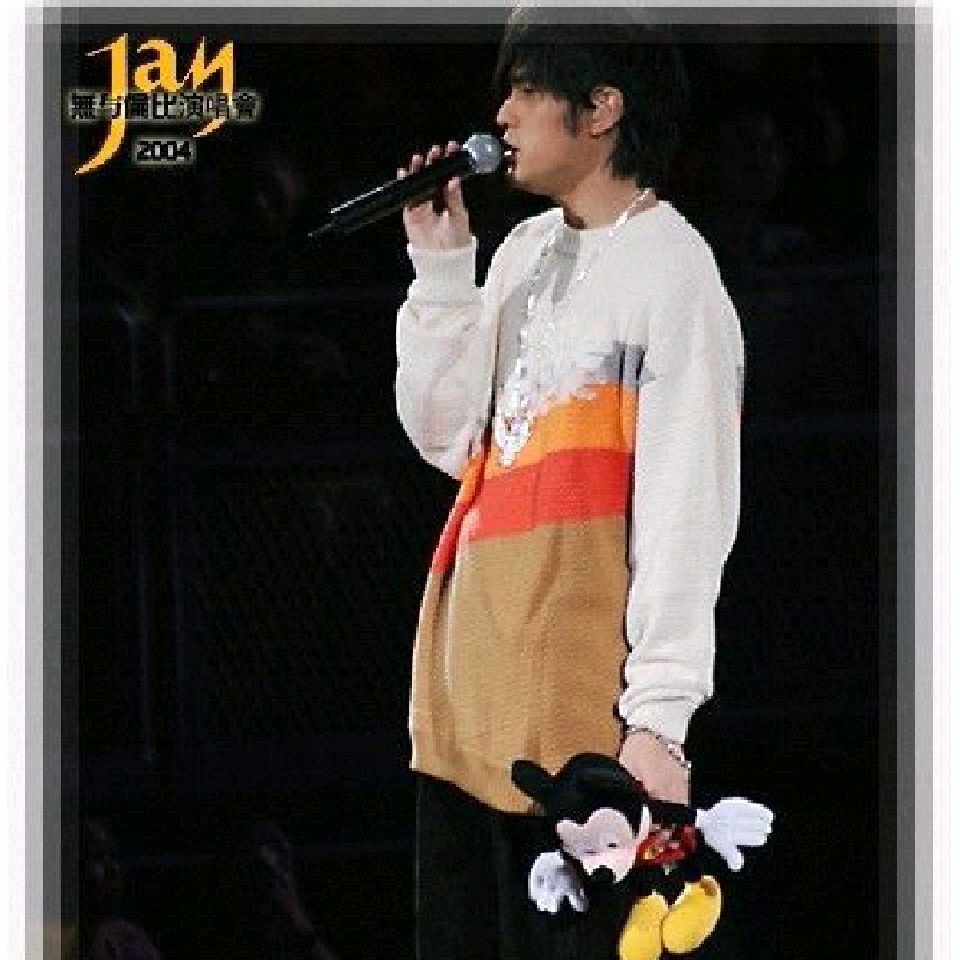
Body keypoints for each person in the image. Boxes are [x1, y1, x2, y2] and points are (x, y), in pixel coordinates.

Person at [393, 8, 744, 959]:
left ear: (601, 108)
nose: (502, 114)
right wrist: (441, 266)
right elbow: (448, 437)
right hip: (468, 707)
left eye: (525, 89)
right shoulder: (523, 254)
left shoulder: (674, 274)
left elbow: (688, 510)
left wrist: (660, 721)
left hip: (581, 735)